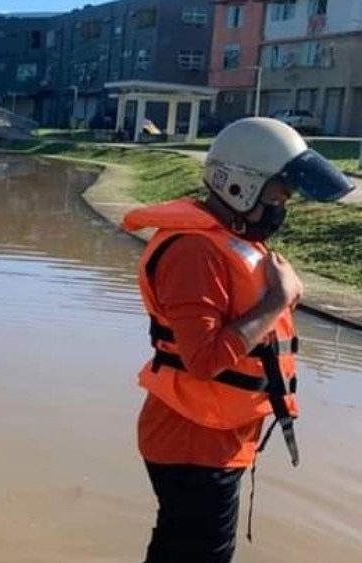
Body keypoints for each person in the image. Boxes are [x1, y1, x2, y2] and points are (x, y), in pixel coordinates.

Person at [121, 117, 354, 563]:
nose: (281, 208)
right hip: (193, 442)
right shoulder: (195, 252)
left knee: (179, 549)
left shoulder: (229, 238)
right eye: (277, 196)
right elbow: (204, 361)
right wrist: (278, 301)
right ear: (239, 186)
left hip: (211, 434)